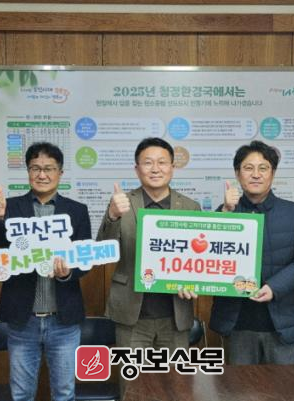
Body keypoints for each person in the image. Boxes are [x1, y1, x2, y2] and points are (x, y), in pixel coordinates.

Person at [0, 142, 91, 401]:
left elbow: (85, 260)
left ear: (60, 173)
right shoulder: (10, 208)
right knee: (21, 394)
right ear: (28, 171)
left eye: (49, 168)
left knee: (64, 393)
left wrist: (67, 272)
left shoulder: (77, 211)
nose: (42, 175)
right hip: (23, 320)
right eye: (35, 168)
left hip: (64, 321)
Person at [97, 137, 199, 393]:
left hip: (175, 316)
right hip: (133, 315)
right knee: (133, 389)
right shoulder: (122, 203)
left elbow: (201, 260)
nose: (155, 169)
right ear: (137, 169)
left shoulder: (190, 207)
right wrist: (112, 216)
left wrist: (194, 282)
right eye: (148, 163)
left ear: (172, 167)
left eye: (162, 162)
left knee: (176, 388)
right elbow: (102, 252)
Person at [209, 140, 294, 365]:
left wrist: (274, 287)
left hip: (283, 322)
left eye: (263, 168)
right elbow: (209, 257)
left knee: (286, 384)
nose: (256, 174)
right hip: (237, 323)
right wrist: (226, 212)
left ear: (273, 173)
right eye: (248, 168)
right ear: (237, 174)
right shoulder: (224, 213)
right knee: (239, 385)